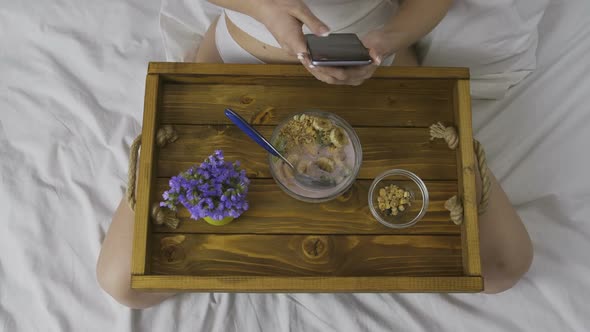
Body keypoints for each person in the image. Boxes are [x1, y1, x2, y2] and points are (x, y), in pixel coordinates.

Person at [97, 0, 533, 309]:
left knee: (504, 265)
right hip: (239, 61)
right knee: (122, 282)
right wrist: (265, 10)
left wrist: (387, 41)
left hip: (375, 69)